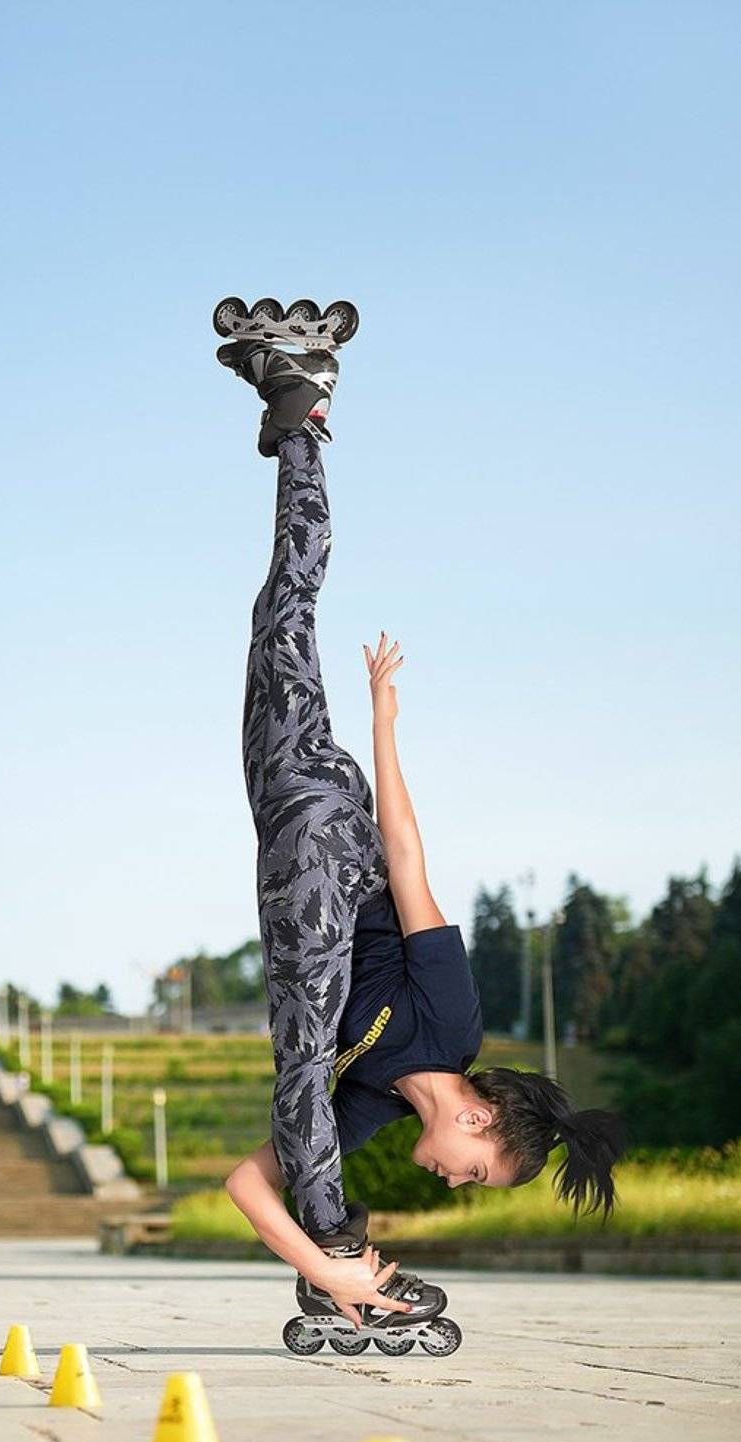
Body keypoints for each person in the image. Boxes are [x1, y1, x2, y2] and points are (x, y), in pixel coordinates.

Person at [215, 334, 625, 1330]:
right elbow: (407, 864)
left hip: (288, 811)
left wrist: (316, 1256)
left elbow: (241, 1183)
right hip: (333, 842)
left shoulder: (374, 1109)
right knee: (303, 1067)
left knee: (281, 612)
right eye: (477, 1173)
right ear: (480, 1118)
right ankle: (340, 1254)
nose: (454, 1183)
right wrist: (385, 726)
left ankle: (299, 413)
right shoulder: (452, 1021)